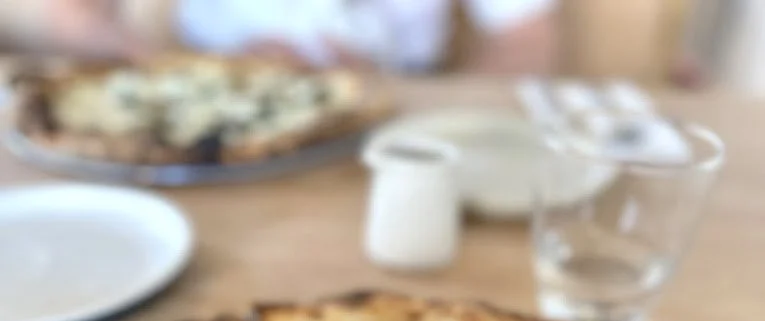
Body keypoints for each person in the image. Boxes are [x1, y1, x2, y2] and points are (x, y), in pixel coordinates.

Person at [0, 0, 558, 74]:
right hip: (206, 113)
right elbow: (71, 14)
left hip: (396, 114)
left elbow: (530, 35)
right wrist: (172, 69)